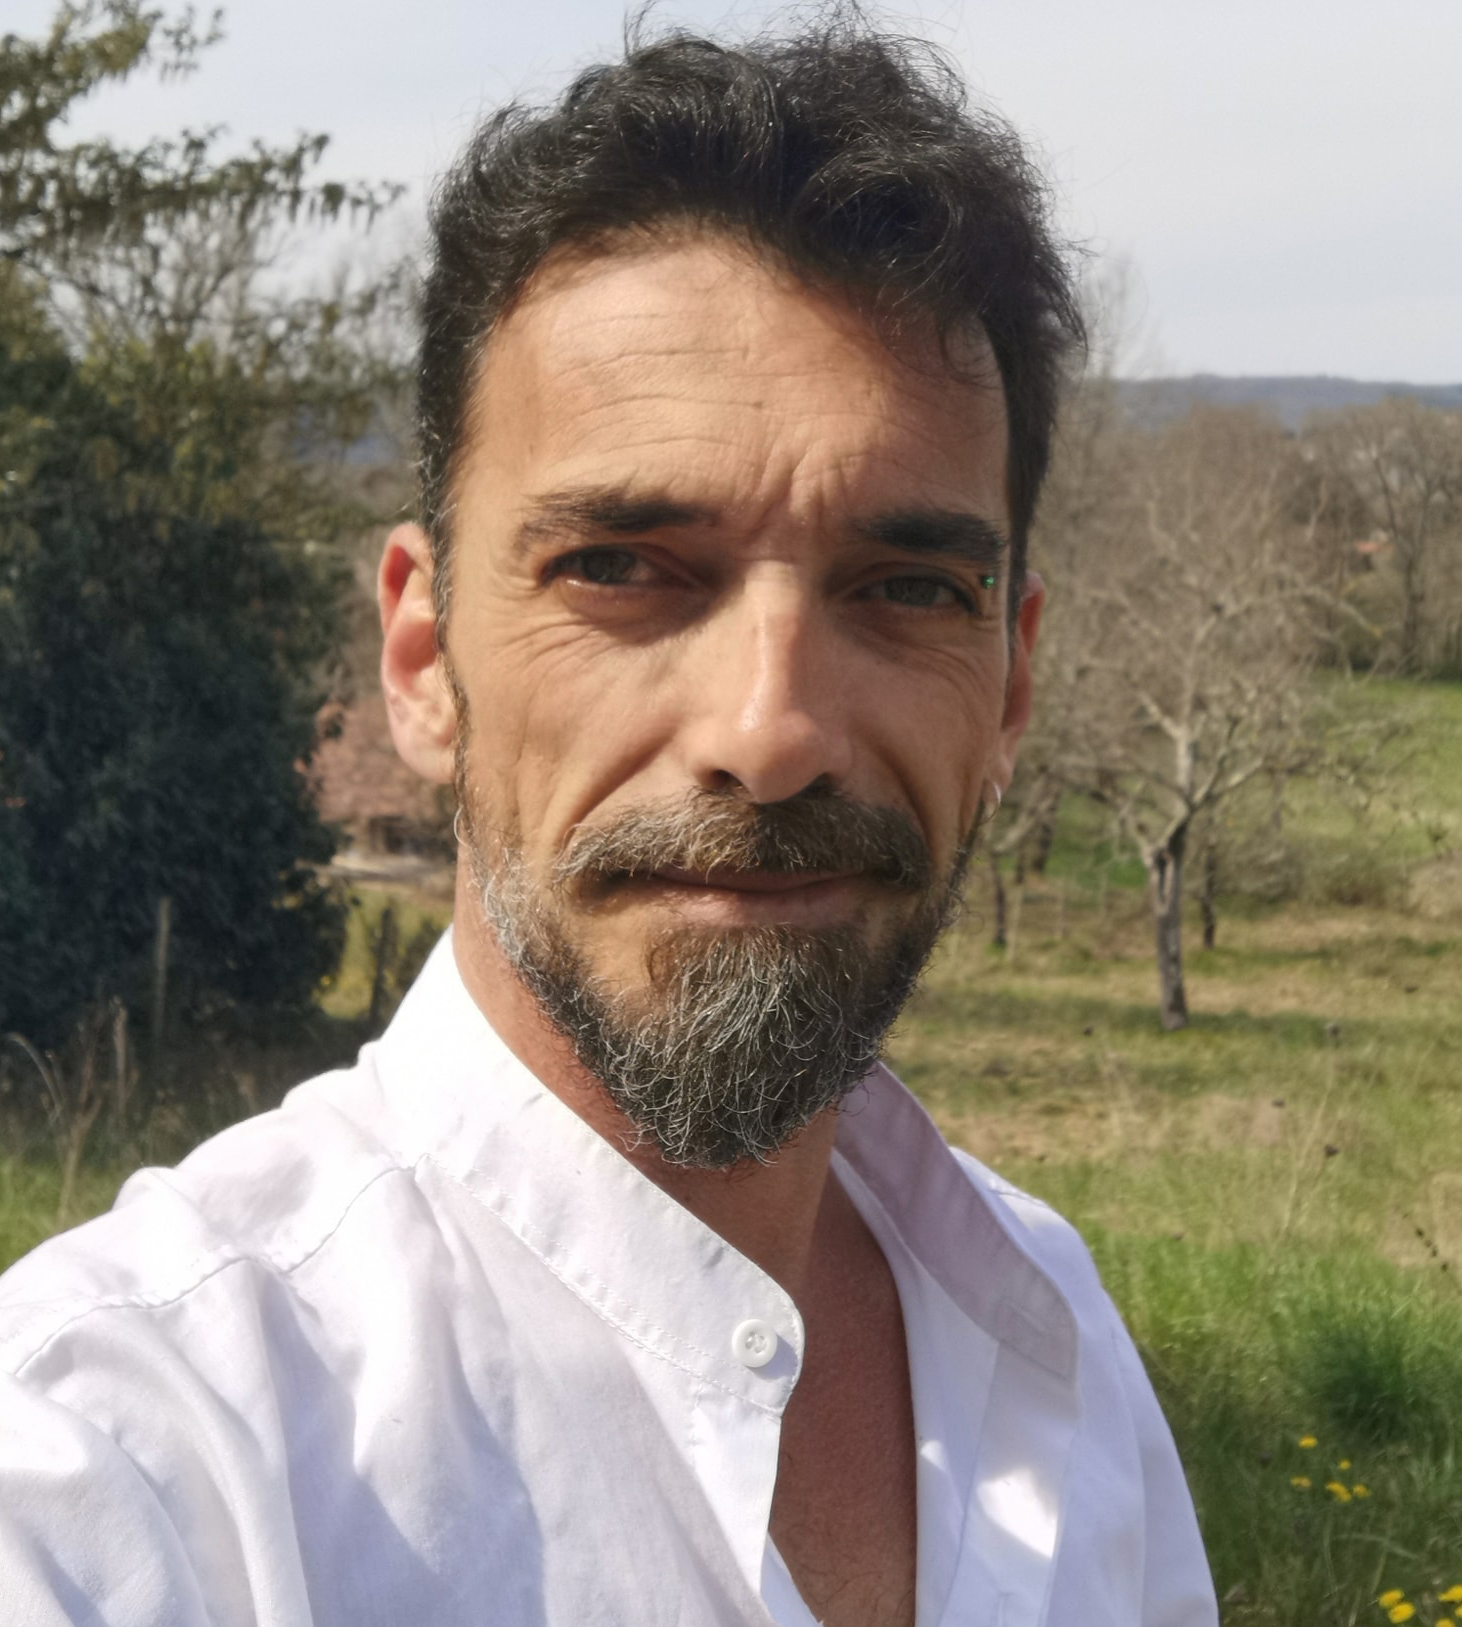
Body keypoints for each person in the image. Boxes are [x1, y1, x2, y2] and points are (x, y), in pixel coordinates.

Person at [0, 17, 1217, 1626]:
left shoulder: (1044, 1329)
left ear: (1008, 681)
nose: (769, 736)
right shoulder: (122, 1465)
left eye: (909, 587)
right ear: (423, 660)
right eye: (623, 569)